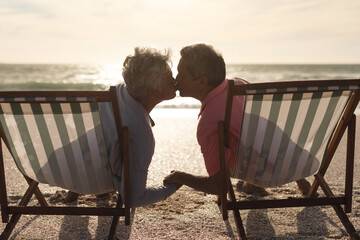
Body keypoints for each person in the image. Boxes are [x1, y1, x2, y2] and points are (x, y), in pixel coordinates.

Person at [163, 43, 311, 195]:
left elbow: (219, 186)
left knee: (239, 142)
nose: (176, 79)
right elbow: (267, 122)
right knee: (254, 127)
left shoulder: (209, 122)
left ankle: (254, 181)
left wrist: (181, 177)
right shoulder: (239, 85)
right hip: (297, 160)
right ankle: (290, 180)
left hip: (269, 176)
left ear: (202, 82)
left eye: (181, 75)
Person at [65, 47, 179, 207]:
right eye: (169, 77)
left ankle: (81, 186)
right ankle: (96, 186)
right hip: (94, 178)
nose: (175, 80)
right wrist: (172, 188)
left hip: (63, 162)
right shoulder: (142, 133)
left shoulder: (117, 92)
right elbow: (133, 198)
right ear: (154, 87)